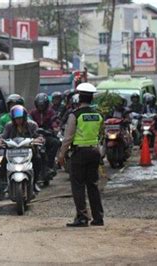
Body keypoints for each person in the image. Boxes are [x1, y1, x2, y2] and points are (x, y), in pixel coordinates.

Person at [58, 83, 104, 227]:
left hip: (79, 154)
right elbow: (101, 134)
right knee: (93, 185)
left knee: (78, 186)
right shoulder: (98, 115)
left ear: (79, 98)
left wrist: (61, 155)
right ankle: (98, 218)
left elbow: (68, 138)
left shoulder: (75, 115)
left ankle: (82, 218)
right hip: (94, 152)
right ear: (91, 99)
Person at [0, 105, 42, 192]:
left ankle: (34, 183)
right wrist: (0, 141)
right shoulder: (9, 126)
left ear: (25, 118)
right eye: (16, 119)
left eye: (20, 118)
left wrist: (38, 139)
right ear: (13, 119)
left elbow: (38, 135)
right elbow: (3, 136)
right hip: (12, 152)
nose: (19, 120)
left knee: (37, 160)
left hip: (28, 151)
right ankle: (6, 182)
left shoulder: (32, 125)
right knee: (3, 161)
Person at [30, 93, 61, 175]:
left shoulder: (51, 112)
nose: (41, 107)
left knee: (56, 142)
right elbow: (28, 122)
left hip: (47, 135)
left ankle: (49, 165)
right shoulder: (32, 113)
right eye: (39, 105)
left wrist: (54, 128)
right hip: (35, 136)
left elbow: (55, 122)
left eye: (42, 105)